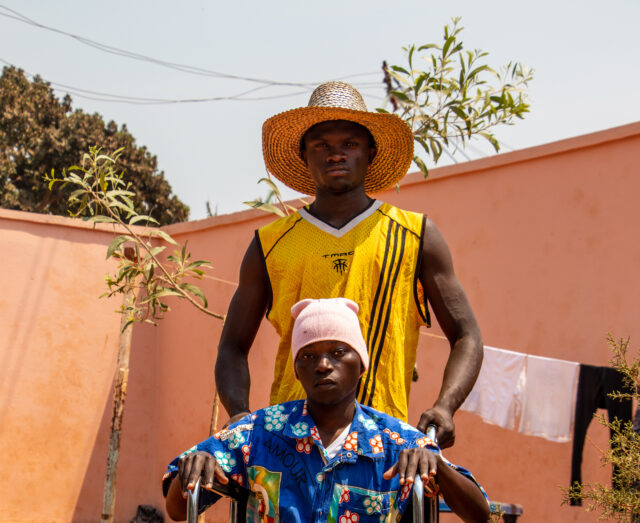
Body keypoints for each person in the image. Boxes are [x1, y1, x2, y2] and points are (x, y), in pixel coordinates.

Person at [215, 81, 483, 447]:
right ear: (303, 155)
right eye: (322, 145)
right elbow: (231, 346)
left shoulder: (416, 235)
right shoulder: (270, 243)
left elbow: (467, 335)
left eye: (349, 144)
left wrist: (445, 407)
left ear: (370, 153)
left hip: (385, 448)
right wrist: (239, 415)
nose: (335, 154)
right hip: (290, 448)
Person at [165, 298, 489, 522]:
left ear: (360, 364)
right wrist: (191, 470)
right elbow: (178, 510)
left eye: (337, 352)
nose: (322, 365)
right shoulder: (258, 435)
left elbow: (480, 513)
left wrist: (438, 467)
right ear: (296, 370)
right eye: (308, 355)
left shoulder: (397, 444)